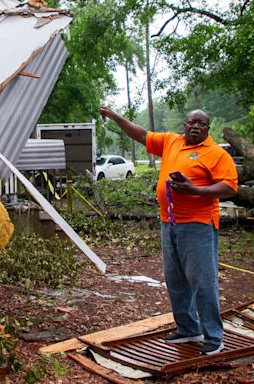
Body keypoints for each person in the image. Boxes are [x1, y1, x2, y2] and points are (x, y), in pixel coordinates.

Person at [99, 107, 238, 355]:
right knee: (175, 279)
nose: (195, 126)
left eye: (201, 124)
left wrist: (195, 190)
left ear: (208, 129)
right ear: (184, 124)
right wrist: (116, 117)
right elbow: (141, 135)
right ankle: (188, 329)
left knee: (202, 281)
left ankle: (214, 337)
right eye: (191, 122)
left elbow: (229, 188)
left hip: (198, 224)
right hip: (169, 222)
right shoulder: (172, 142)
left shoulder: (216, 154)